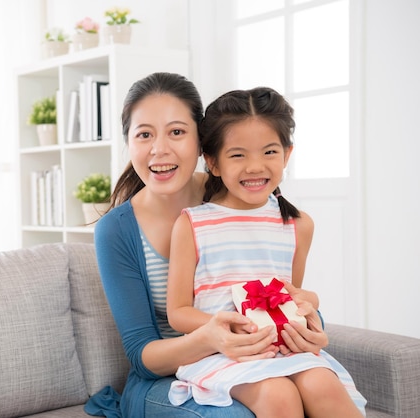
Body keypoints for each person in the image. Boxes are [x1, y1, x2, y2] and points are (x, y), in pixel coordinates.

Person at [85, 72, 327, 418]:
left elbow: (278, 296)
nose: (160, 149)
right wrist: (210, 339)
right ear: (128, 142)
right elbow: (142, 356)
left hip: (250, 362)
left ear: (203, 144)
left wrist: (313, 319)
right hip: (167, 379)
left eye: (177, 132)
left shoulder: (242, 193)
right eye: (144, 134)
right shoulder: (117, 231)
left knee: (313, 390)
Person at [165, 87, 367, 417]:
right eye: (238, 155)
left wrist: (309, 303)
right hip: (222, 353)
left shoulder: (299, 225)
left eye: (269, 152)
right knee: (278, 395)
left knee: (323, 385)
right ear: (213, 162)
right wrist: (228, 329)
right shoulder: (192, 225)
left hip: (284, 350)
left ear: (287, 154)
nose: (255, 166)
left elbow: (291, 297)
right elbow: (178, 313)